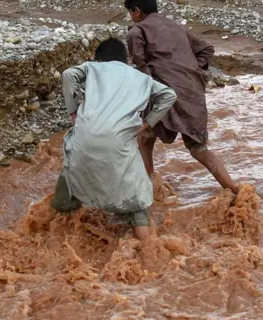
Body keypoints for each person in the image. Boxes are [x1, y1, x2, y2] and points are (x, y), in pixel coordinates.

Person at [50, 38, 177, 241]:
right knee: (136, 200)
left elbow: (68, 74)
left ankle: (53, 233)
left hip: (85, 134)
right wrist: (148, 123)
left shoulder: (93, 68)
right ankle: (149, 249)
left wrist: (73, 111)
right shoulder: (141, 77)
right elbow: (169, 95)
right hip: (120, 139)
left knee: (71, 172)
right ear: (125, 60)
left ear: (99, 59)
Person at [124, 0, 240, 195]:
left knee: (144, 137)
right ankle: (235, 191)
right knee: (199, 150)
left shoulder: (137, 32)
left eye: (130, 13)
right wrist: (194, 72)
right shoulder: (175, 27)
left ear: (136, 11)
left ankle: (150, 186)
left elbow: (143, 74)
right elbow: (207, 49)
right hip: (193, 93)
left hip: (166, 94)